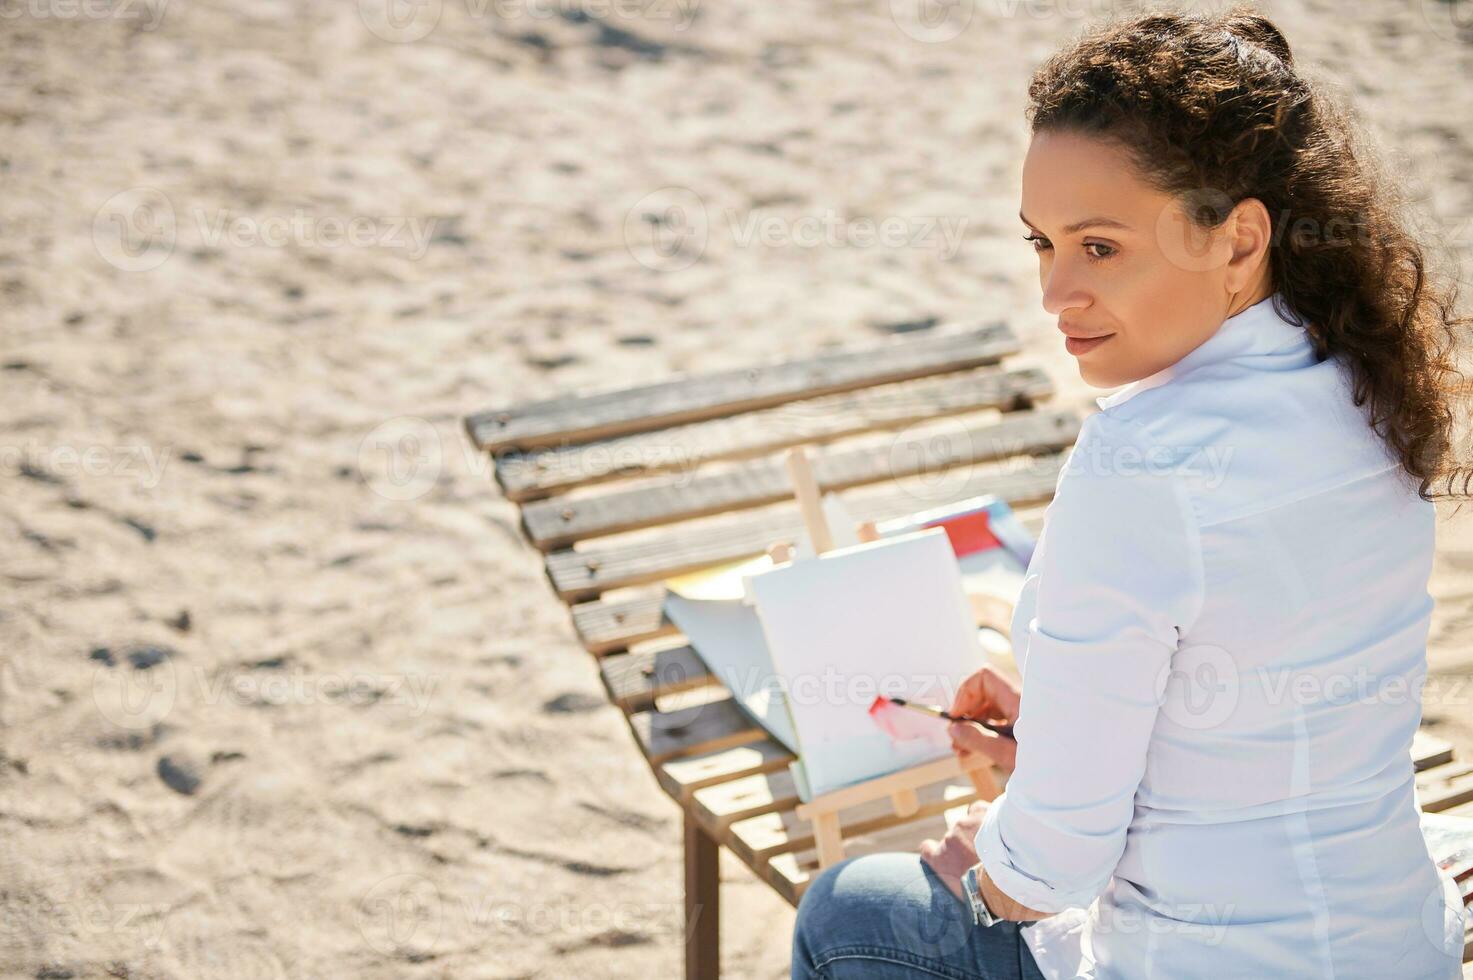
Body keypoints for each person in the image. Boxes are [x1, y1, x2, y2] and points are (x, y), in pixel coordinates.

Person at [791, 5, 1472, 978]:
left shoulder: (1142, 462)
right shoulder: (1368, 390)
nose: (1055, 293)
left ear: (1238, 243)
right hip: (1396, 940)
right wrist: (1063, 724)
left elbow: (1055, 864)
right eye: (1042, 244)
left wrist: (985, 872)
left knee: (847, 910)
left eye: (1099, 246)